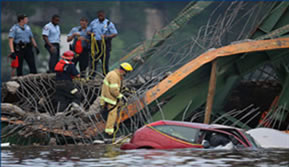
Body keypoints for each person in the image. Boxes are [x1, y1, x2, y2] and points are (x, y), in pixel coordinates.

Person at [100, 62, 133, 139]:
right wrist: (121, 96)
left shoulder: (115, 74)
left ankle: (109, 132)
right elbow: (113, 90)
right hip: (110, 99)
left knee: (111, 115)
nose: (126, 74)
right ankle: (109, 134)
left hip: (109, 98)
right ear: (122, 70)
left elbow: (117, 86)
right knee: (112, 116)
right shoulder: (114, 76)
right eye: (126, 72)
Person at [87, 10, 118, 76]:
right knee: (93, 61)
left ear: (104, 15)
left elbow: (114, 33)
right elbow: (88, 31)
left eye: (102, 15)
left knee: (104, 62)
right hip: (95, 44)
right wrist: (91, 34)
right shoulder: (94, 22)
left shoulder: (108, 23)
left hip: (105, 44)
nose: (100, 17)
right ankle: (91, 77)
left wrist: (106, 36)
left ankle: (105, 76)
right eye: (99, 15)